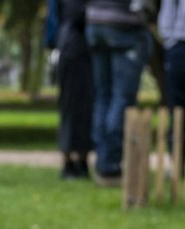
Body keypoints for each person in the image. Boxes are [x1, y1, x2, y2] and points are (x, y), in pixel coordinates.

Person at [87, 0, 153, 186]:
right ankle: (111, 165)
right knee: (122, 97)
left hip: (94, 23)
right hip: (123, 27)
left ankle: (103, 162)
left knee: (103, 96)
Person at [50, 0, 97, 179]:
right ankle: (69, 161)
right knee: (72, 107)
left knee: (85, 107)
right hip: (74, 47)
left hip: (78, 46)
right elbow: (75, 14)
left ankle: (81, 160)